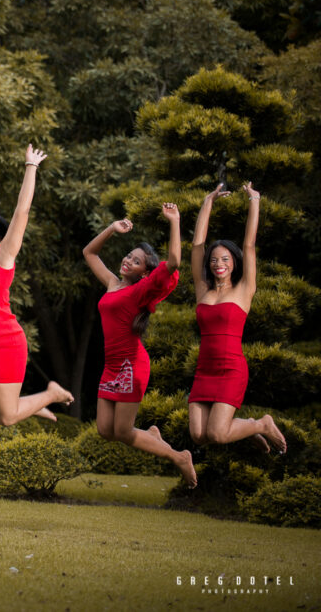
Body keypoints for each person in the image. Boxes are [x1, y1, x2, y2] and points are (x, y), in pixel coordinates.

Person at [0, 145, 73, 427]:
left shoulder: (3, 255)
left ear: (0, 238)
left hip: (3, 342)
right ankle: (29, 407)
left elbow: (22, 211)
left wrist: (30, 167)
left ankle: (49, 394)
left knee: (6, 418)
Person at [83, 204, 197, 487]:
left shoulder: (141, 290)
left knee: (122, 431)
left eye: (135, 262)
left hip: (131, 366)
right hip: (112, 367)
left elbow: (173, 262)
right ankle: (154, 436)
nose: (127, 261)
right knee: (105, 431)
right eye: (128, 256)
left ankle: (180, 457)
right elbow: (89, 253)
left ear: (144, 273)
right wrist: (112, 228)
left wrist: (175, 221)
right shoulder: (112, 283)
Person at [188, 183, 286, 452]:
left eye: (225, 259)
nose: (219, 264)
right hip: (205, 367)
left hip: (231, 368)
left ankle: (260, 425)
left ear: (234, 263)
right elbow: (197, 246)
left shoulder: (244, 289)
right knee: (198, 435)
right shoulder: (202, 290)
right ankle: (241, 429)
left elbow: (249, 244)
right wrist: (207, 202)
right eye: (214, 260)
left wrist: (254, 201)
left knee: (218, 434)